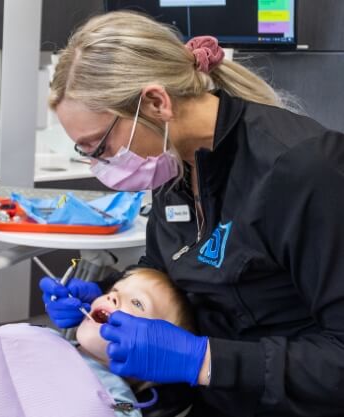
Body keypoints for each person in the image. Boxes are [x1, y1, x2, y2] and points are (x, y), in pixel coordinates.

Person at [39, 10, 344, 417]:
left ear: (156, 102)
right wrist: (112, 295)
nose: (101, 165)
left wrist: (202, 359)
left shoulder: (303, 170)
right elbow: (178, 273)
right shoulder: (174, 167)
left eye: (100, 148)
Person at [0, 267, 194, 417]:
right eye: (115, 288)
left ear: (160, 354)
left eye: (137, 304)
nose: (112, 295)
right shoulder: (43, 336)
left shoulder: (117, 398)